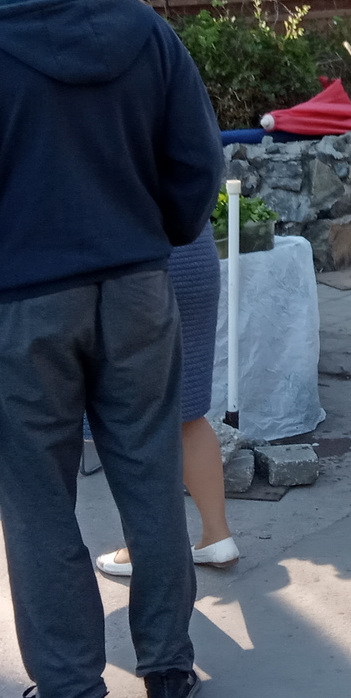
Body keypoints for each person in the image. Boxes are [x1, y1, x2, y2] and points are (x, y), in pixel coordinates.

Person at [0, 0, 223, 698]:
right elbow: (199, 166)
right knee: (150, 477)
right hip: (134, 291)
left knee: (38, 502)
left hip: (22, 304)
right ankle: (167, 670)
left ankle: (70, 684)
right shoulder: (151, 37)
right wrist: (150, 230)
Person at [95, 222, 240, 577]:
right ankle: (217, 537)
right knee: (188, 410)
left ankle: (144, 549)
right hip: (194, 254)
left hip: (138, 264)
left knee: (134, 418)